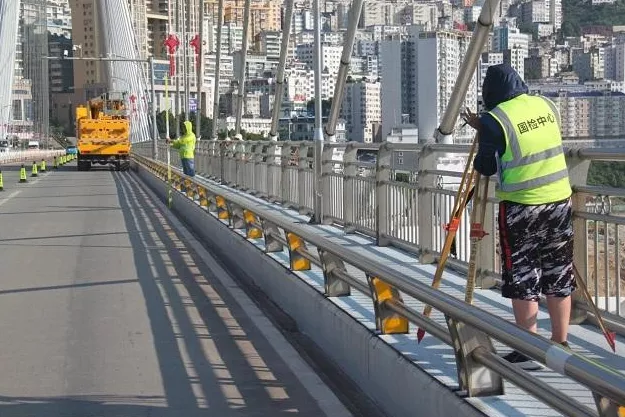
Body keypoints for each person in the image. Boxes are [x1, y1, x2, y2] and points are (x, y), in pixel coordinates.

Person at [463, 63, 574, 371]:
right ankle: (560, 342)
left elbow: (485, 167)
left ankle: (528, 348)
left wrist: (484, 131)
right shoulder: (545, 104)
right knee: (558, 271)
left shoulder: (494, 119)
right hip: (560, 202)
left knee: (523, 274)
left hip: (522, 207)